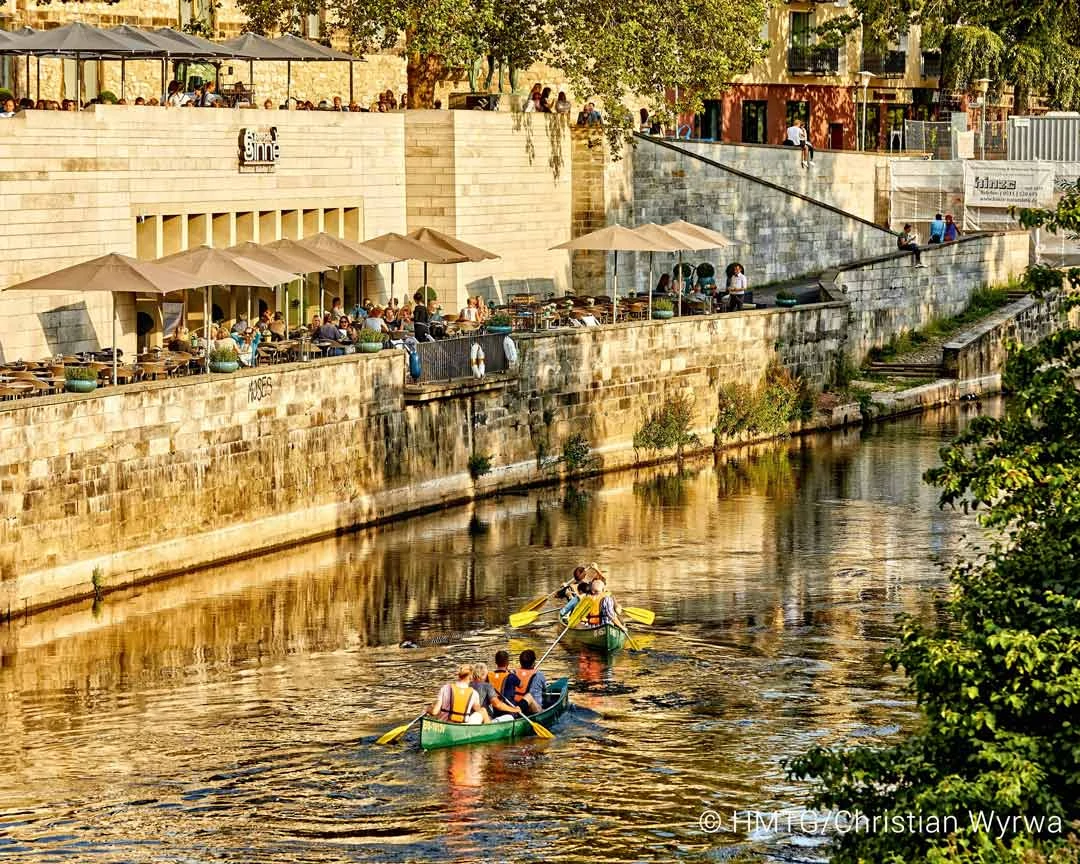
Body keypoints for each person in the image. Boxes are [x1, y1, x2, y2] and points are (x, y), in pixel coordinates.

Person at [507, 649, 546, 715]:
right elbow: (545, 689)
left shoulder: (513, 673)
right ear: (533, 663)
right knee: (529, 696)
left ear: (520, 662)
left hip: (515, 705)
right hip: (533, 710)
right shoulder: (539, 674)